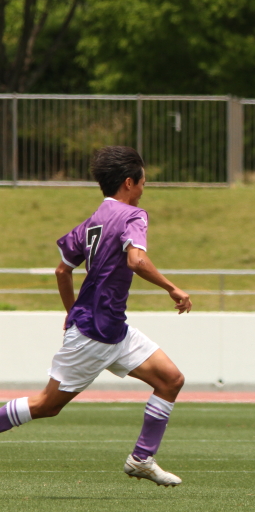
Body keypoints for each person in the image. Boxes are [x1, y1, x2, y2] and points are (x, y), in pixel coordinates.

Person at [0, 146, 192, 486]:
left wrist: (71, 311)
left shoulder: (92, 222)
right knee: (46, 405)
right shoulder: (134, 215)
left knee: (170, 380)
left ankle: (141, 459)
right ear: (129, 182)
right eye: (143, 182)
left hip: (113, 329)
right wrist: (172, 288)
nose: (144, 188)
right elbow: (136, 260)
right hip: (94, 333)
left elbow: (62, 271)